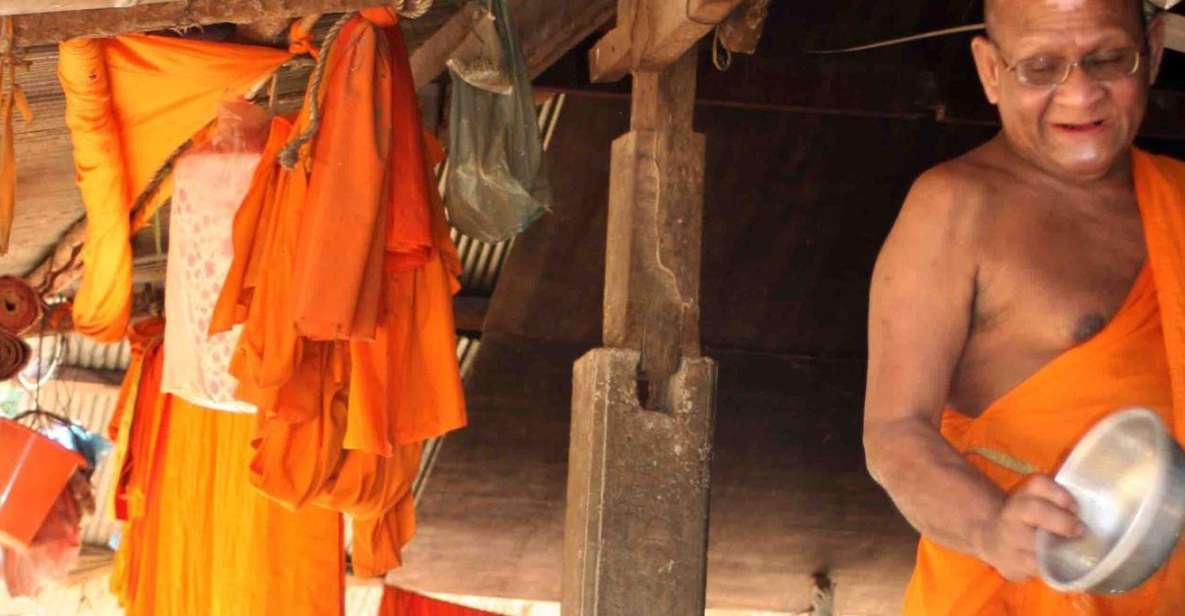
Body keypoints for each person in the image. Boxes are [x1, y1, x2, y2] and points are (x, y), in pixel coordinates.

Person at [863, 0, 1185, 612]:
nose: (1081, 94)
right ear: (989, 70)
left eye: (1109, 59)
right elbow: (895, 433)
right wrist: (992, 525)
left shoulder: (1178, 199)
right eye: (1041, 68)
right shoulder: (956, 208)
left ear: (1155, 48)